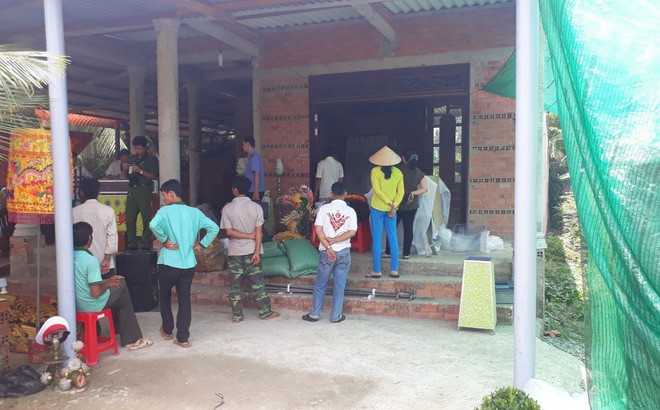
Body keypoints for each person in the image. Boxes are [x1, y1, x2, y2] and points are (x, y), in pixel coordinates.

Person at [149, 179, 219, 348]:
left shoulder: (164, 211)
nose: (164, 199)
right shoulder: (195, 213)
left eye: (164, 195)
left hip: (168, 263)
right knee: (184, 300)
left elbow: (153, 225)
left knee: (165, 297)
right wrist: (202, 245)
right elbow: (214, 228)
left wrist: (164, 241)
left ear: (172, 194)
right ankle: (183, 338)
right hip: (188, 265)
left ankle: (167, 331)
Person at [73, 222, 152, 350]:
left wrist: (107, 281)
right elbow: (95, 293)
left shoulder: (69, 256)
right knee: (121, 284)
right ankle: (132, 339)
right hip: (91, 304)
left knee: (119, 294)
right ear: (89, 238)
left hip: (77, 303)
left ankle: (119, 332)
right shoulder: (90, 260)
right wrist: (107, 283)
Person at [220, 176, 280, 323]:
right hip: (253, 251)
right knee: (258, 283)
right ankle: (265, 312)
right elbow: (259, 233)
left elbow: (228, 232)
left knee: (235, 286)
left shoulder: (227, 208)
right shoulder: (256, 207)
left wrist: (246, 236)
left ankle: (237, 316)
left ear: (235, 190)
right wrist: (256, 252)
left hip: (235, 252)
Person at [302, 182, 357, 324]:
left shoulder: (324, 209)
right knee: (339, 285)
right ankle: (335, 316)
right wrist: (336, 240)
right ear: (346, 194)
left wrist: (328, 246)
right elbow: (352, 232)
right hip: (343, 252)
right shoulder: (351, 211)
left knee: (321, 284)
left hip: (327, 252)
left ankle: (314, 314)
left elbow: (318, 229)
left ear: (331, 194)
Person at [366, 146, 404, 279]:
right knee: (393, 238)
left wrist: (389, 203)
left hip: (377, 208)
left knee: (377, 239)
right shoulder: (398, 172)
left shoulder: (375, 171)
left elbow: (377, 191)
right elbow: (401, 192)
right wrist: (394, 206)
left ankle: (377, 270)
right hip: (392, 210)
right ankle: (394, 270)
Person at [385, 151, 428, 260]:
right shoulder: (418, 172)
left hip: (396, 204)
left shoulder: (397, 170)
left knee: (391, 227)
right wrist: (413, 192)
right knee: (408, 228)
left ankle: (388, 252)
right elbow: (425, 188)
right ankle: (406, 253)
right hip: (411, 204)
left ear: (403, 158)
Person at [73, 178, 118, 279]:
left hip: (80, 264)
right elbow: (112, 238)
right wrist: (107, 259)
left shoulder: (73, 212)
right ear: (98, 192)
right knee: (106, 287)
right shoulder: (108, 211)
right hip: (104, 265)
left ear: (81, 192)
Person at [123, 136, 158, 250]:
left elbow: (153, 176)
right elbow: (127, 176)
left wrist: (140, 171)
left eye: (139, 148)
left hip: (144, 189)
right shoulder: (132, 158)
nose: (137, 151)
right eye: (135, 148)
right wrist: (125, 169)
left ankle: (146, 241)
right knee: (129, 216)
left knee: (146, 216)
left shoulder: (151, 159)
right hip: (133, 189)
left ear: (144, 147)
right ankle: (131, 241)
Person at [241, 136, 265, 201]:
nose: (242, 146)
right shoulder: (251, 156)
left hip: (254, 191)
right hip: (251, 189)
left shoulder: (254, 157)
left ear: (248, 144)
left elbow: (257, 174)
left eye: (243, 144)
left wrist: (256, 191)